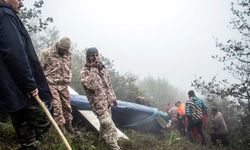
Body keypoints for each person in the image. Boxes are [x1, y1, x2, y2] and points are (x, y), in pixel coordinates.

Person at [0, 0, 52, 149]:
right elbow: (14, 53)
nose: (21, 3)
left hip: (10, 89)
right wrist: (29, 84)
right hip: (22, 88)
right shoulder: (5, 14)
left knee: (23, 128)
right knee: (42, 123)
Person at [80, 47, 120, 150]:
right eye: (92, 55)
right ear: (88, 57)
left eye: (96, 55)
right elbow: (92, 86)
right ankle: (115, 148)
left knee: (105, 127)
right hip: (98, 105)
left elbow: (108, 85)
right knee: (111, 128)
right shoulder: (85, 72)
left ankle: (100, 144)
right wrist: (93, 69)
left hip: (107, 103)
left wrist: (113, 98)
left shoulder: (102, 68)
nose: (95, 57)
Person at [40, 37, 73, 132]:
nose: (64, 51)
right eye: (63, 49)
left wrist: (68, 77)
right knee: (57, 106)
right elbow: (40, 69)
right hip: (51, 83)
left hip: (64, 85)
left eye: (66, 50)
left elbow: (69, 67)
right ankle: (61, 128)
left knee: (67, 106)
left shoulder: (69, 54)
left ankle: (69, 125)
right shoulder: (47, 53)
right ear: (58, 45)